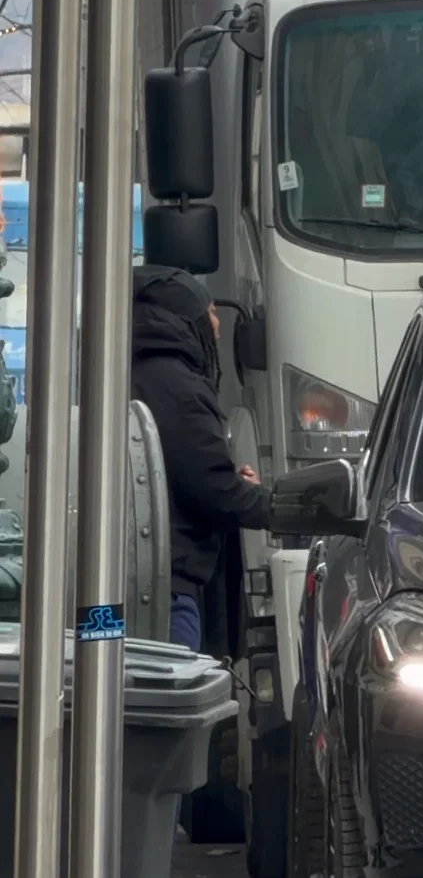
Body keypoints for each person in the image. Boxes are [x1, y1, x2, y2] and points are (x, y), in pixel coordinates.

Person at [131, 265, 271, 652]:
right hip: (168, 591)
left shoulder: (133, 371)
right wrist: (266, 501)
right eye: (209, 312)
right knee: (171, 697)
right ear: (183, 316)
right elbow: (209, 486)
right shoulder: (177, 385)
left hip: (131, 580)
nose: (218, 325)